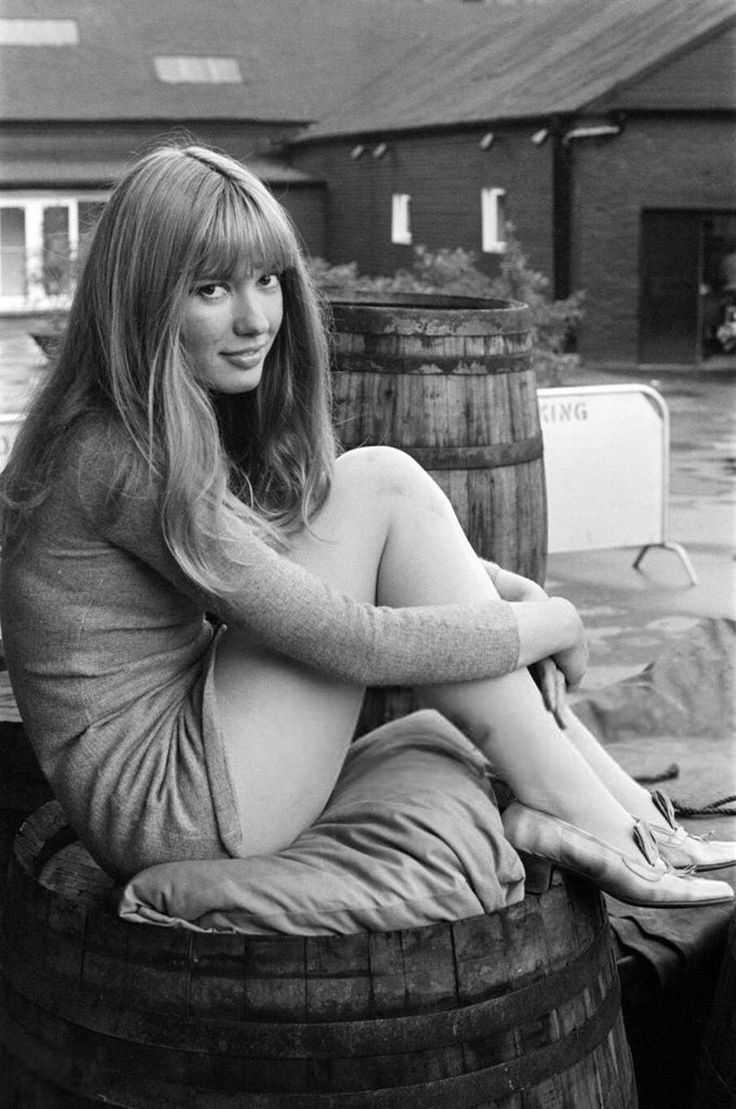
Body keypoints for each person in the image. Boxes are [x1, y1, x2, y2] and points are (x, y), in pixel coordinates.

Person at [0, 143, 733, 910]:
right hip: (179, 811)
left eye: (267, 280)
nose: (256, 319)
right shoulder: (117, 455)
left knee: (381, 488)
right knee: (378, 481)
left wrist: (496, 592)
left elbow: (268, 560)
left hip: (192, 764)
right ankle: (590, 814)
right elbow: (351, 641)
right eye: (211, 289)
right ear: (141, 300)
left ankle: (628, 817)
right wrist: (552, 620)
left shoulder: (120, 426)